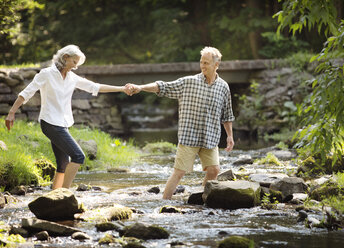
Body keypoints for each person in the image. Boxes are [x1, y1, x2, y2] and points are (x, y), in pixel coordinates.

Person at [5, 44, 131, 190]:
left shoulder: (72, 77)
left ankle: (55, 194)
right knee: (79, 156)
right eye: (74, 62)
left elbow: (95, 87)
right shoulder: (46, 74)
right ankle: (65, 193)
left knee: (63, 164)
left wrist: (122, 88)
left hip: (62, 123)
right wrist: (11, 112)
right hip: (50, 123)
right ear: (65, 58)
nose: (75, 67)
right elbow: (27, 93)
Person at [125, 46, 235, 200]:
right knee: (179, 173)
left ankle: (203, 197)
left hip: (210, 137)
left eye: (207, 63)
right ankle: (164, 204)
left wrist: (229, 136)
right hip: (189, 136)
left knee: (214, 170)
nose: (203, 65)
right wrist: (141, 87)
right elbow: (162, 86)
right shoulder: (188, 82)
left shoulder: (223, 87)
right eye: (201, 62)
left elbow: (227, 114)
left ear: (216, 65)